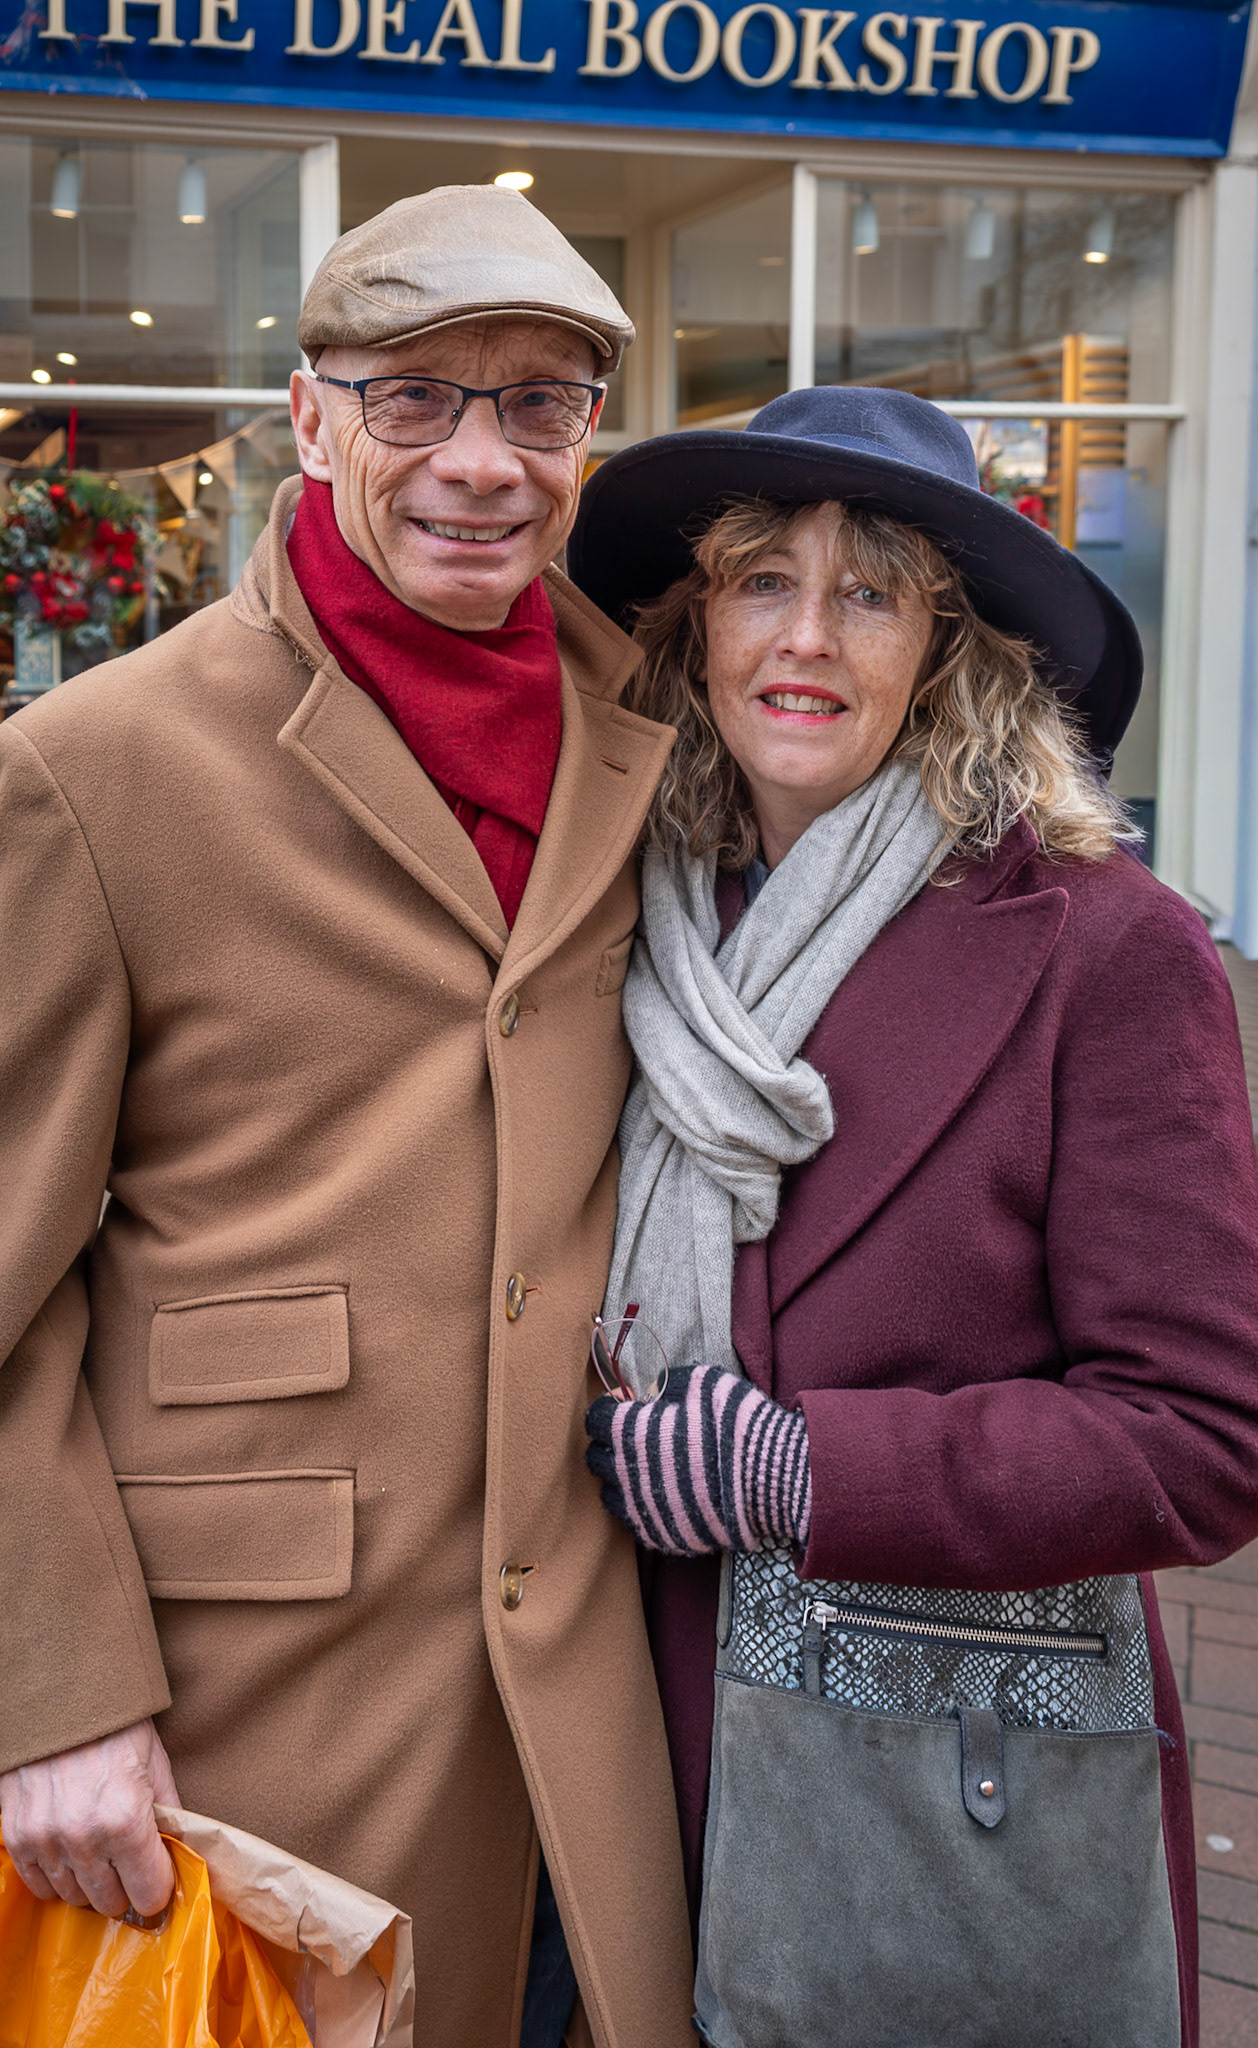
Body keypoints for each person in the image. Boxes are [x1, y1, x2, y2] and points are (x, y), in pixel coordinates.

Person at [0, 186, 695, 2048]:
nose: (481, 459)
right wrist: (51, 1689)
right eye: (415, 400)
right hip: (249, 1677)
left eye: (538, 404)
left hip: (592, 1662)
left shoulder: (658, 728)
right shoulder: (91, 769)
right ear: (308, 422)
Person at [572, 386, 1258, 2048]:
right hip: (618, 1723)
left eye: (868, 592)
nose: (804, 639)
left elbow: (1199, 1437)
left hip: (932, 1784)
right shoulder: (613, 923)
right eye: (759, 582)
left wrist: (805, 1468)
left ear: (949, 651)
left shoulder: (1107, 947)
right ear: (692, 628)